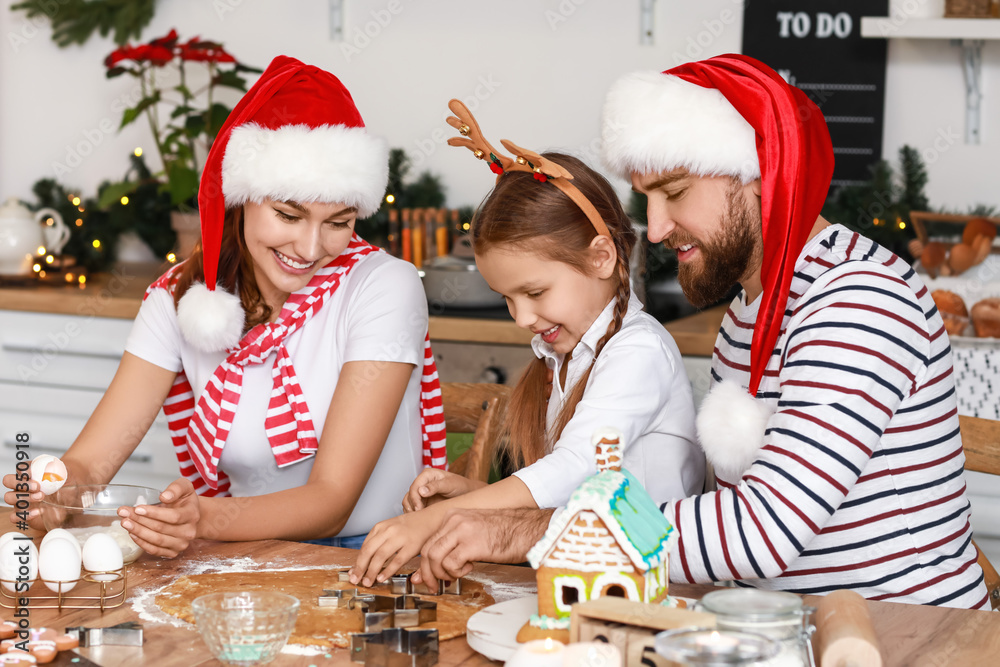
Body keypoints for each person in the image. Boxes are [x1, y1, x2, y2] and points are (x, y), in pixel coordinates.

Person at [408, 55, 990, 610]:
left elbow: (761, 530)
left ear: (760, 170)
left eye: (676, 191)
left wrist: (526, 531)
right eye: (647, 197)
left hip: (907, 637)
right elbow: (714, 520)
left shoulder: (858, 300)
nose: (656, 227)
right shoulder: (749, 311)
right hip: (778, 631)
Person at [3, 55, 447, 557]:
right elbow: (89, 465)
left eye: (339, 221)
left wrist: (200, 519)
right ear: (240, 199)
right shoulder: (180, 298)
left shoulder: (384, 286)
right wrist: (56, 494)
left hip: (373, 558)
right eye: (288, 214)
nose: (309, 246)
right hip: (243, 554)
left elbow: (332, 501)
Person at [348, 101, 703, 587]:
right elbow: (570, 503)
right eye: (507, 299)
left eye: (535, 293)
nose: (521, 317)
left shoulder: (638, 352)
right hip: (593, 581)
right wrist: (470, 496)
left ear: (601, 257)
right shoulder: (566, 355)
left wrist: (430, 522)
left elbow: (574, 468)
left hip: (659, 590)